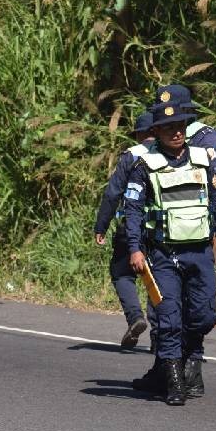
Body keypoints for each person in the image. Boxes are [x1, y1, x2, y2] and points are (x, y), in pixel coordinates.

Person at [124, 101, 216, 405]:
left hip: (200, 252)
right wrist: (135, 249)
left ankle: (187, 356)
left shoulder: (203, 159)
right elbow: (132, 210)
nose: (175, 133)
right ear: (157, 131)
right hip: (163, 254)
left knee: (205, 315)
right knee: (169, 317)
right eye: (167, 128)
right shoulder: (143, 165)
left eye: (179, 127)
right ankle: (174, 381)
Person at [94, 111, 155, 347]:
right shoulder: (171, 154)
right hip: (163, 230)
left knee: (122, 273)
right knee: (158, 280)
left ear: (140, 134)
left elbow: (112, 194)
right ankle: (160, 338)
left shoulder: (132, 155)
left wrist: (102, 225)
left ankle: (135, 317)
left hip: (131, 226)